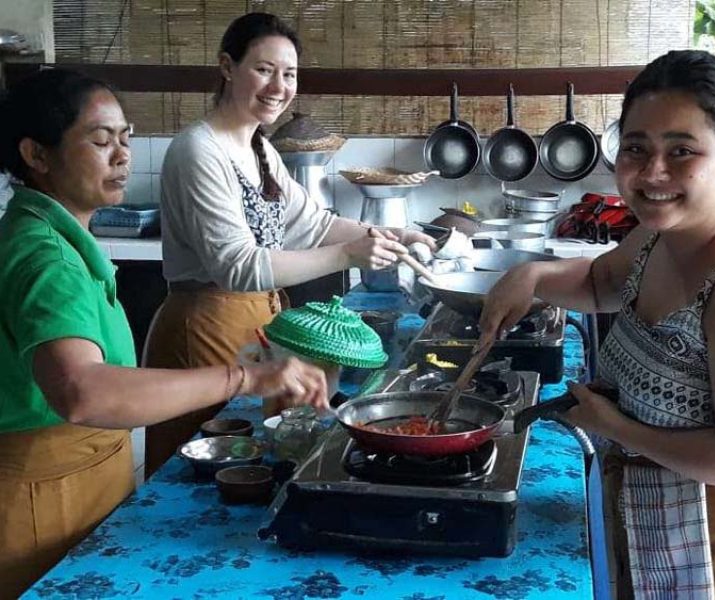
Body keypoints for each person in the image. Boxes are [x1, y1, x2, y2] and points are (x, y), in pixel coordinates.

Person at [479, 50, 715, 599]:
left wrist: (615, 426)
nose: (652, 172)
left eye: (682, 151)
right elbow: (600, 283)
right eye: (636, 148)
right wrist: (531, 275)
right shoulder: (662, 236)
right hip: (660, 538)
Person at [0, 69, 331, 597]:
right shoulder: (46, 258)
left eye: (125, 139)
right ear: (37, 155)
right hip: (43, 498)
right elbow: (83, 392)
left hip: (80, 480)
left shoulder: (53, 236)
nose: (122, 156)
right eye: (100, 140)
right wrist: (241, 378)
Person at [142, 12, 435, 474]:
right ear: (226, 66)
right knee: (202, 467)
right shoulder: (199, 150)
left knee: (250, 458)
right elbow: (235, 267)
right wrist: (346, 255)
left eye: (290, 74)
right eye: (264, 69)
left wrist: (388, 234)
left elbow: (312, 223)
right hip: (206, 326)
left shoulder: (260, 148)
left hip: (257, 321)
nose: (279, 86)